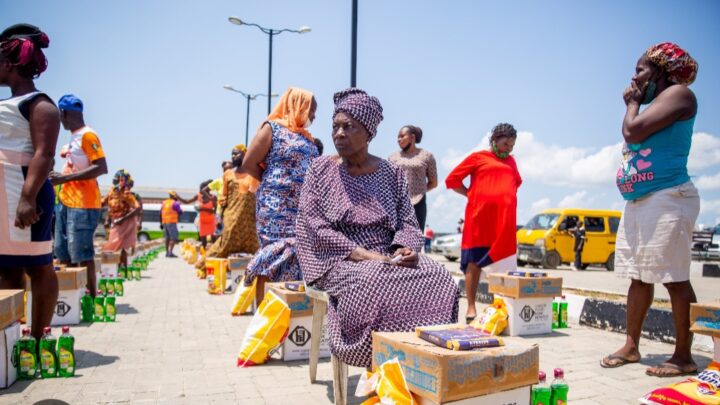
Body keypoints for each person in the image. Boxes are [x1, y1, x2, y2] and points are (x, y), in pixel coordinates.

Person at [297, 88, 458, 368]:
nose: (339, 134)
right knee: (372, 280)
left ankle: (423, 360)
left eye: (349, 127)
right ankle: (380, 359)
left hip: (387, 253)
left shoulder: (391, 172)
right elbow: (315, 227)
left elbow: (408, 220)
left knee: (439, 275)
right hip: (336, 258)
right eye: (335, 126)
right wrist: (366, 256)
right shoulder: (319, 170)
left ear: (369, 133)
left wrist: (404, 249)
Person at [602, 42, 700, 378]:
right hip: (641, 200)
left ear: (660, 71)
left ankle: (683, 356)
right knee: (639, 277)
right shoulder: (654, 102)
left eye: (641, 69)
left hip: (669, 196)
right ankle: (631, 346)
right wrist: (638, 103)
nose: (634, 76)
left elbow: (632, 130)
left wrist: (631, 104)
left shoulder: (679, 94)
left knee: (674, 277)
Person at [0, 23, 60, 342]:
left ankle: (37, 338)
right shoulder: (8, 103)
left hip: (24, 191)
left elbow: (45, 153)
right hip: (3, 195)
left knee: (38, 265)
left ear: (9, 64)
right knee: (7, 267)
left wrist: (28, 197)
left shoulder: (39, 103)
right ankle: (10, 339)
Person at [242, 87, 319, 304]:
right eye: (310, 110)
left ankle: (286, 312)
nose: (313, 116)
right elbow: (249, 162)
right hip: (275, 206)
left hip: (301, 207)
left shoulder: (306, 137)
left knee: (295, 254)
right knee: (274, 253)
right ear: (297, 105)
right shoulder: (272, 128)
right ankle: (262, 311)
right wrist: (274, 184)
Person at [445, 123, 522, 323]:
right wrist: (471, 193)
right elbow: (452, 180)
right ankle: (471, 307)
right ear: (495, 139)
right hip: (479, 220)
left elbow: (515, 184)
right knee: (473, 263)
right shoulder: (478, 157)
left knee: (504, 265)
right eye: (506, 142)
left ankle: (502, 309)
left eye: (512, 144)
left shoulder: (512, 162)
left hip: (503, 224)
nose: (509, 147)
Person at [49, 93, 108, 298]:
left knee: (82, 253)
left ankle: (91, 299)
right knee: (62, 252)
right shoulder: (74, 137)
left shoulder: (88, 135)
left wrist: (63, 179)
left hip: (83, 204)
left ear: (64, 113)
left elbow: (101, 167)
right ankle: (69, 299)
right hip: (66, 201)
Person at [201, 145, 259, 267]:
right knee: (224, 246)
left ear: (245, 155)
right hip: (231, 217)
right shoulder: (228, 174)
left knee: (254, 249)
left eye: (236, 154)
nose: (233, 156)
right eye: (232, 154)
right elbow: (223, 197)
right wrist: (219, 217)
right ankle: (205, 265)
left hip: (249, 221)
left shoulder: (254, 174)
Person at [388, 125, 438, 230]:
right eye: (398, 137)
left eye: (402, 136)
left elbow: (433, 183)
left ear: (412, 137)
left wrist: (419, 191)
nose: (399, 139)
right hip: (397, 204)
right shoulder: (392, 158)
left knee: (416, 239)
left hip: (419, 203)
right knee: (395, 240)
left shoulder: (427, 156)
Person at [101, 170, 140, 269]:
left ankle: (120, 269)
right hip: (116, 221)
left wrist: (123, 219)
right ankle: (119, 268)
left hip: (126, 222)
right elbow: (105, 204)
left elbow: (138, 208)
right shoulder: (112, 191)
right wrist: (107, 219)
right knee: (116, 246)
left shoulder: (127, 194)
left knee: (119, 247)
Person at [195, 179, 216, 249]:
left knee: (213, 238)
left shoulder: (213, 197)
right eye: (200, 189)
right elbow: (187, 201)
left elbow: (214, 211)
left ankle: (216, 252)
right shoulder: (199, 197)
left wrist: (203, 209)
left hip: (211, 221)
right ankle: (203, 254)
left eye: (201, 189)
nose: (200, 191)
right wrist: (178, 197)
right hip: (202, 221)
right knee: (203, 240)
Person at [160, 191, 182, 257]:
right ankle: (170, 253)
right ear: (174, 196)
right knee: (174, 238)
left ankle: (167, 253)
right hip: (172, 222)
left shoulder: (164, 202)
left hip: (164, 222)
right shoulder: (175, 203)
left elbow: (160, 213)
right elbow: (180, 212)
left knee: (167, 238)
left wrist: (161, 223)